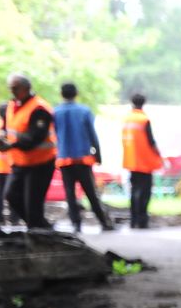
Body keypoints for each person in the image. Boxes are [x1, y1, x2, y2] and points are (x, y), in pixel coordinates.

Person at [51, 82, 115, 233]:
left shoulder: (55, 113)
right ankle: (104, 222)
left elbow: (53, 136)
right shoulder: (84, 111)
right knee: (91, 193)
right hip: (83, 160)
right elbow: (93, 135)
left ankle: (76, 224)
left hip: (65, 161)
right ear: (76, 93)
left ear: (61, 94)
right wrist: (98, 155)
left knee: (70, 194)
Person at [0, 74, 58, 230]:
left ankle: (38, 230)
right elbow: (8, 128)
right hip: (20, 162)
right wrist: (2, 137)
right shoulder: (12, 105)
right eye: (10, 88)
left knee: (33, 203)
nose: (12, 91)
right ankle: (40, 226)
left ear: (25, 88)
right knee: (11, 195)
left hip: (40, 163)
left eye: (15, 88)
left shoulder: (39, 109)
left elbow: (35, 138)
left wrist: (12, 144)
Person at [122, 93, 163, 229]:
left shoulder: (127, 119)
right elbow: (151, 141)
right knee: (145, 192)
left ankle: (133, 221)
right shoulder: (144, 120)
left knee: (134, 192)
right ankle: (142, 220)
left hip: (132, 162)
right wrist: (160, 155)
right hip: (145, 163)